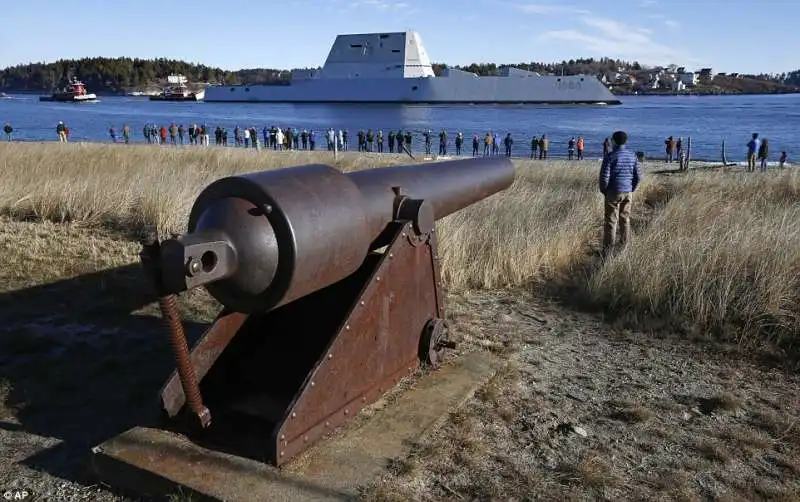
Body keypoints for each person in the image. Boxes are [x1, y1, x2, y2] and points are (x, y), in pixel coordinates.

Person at [599, 130, 643, 256]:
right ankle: (624, 246)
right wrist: (632, 188)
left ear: (613, 141)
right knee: (625, 219)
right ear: (626, 141)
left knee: (611, 221)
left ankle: (608, 251)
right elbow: (639, 176)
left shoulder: (610, 156)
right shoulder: (632, 156)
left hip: (613, 192)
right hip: (627, 191)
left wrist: (604, 191)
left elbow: (604, 177)